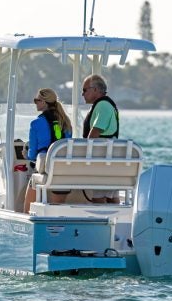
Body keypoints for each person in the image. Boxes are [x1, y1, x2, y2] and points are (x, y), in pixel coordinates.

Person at [23, 88, 73, 213]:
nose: (35, 103)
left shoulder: (36, 123)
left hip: (45, 170)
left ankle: (26, 216)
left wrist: (26, 154)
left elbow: (33, 155)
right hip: (63, 170)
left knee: (32, 184)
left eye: (37, 100)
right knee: (58, 208)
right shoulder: (66, 122)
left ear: (44, 103)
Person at [81, 74, 120, 204]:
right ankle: (117, 221)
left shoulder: (102, 105)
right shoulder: (107, 104)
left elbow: (95, 132)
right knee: (112, 197)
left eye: (85, 90)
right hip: (110, 160)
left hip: (102, 161)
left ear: (95, 90)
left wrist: (82, 154)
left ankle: (103, 222)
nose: (82, 94)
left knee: (99, 197)